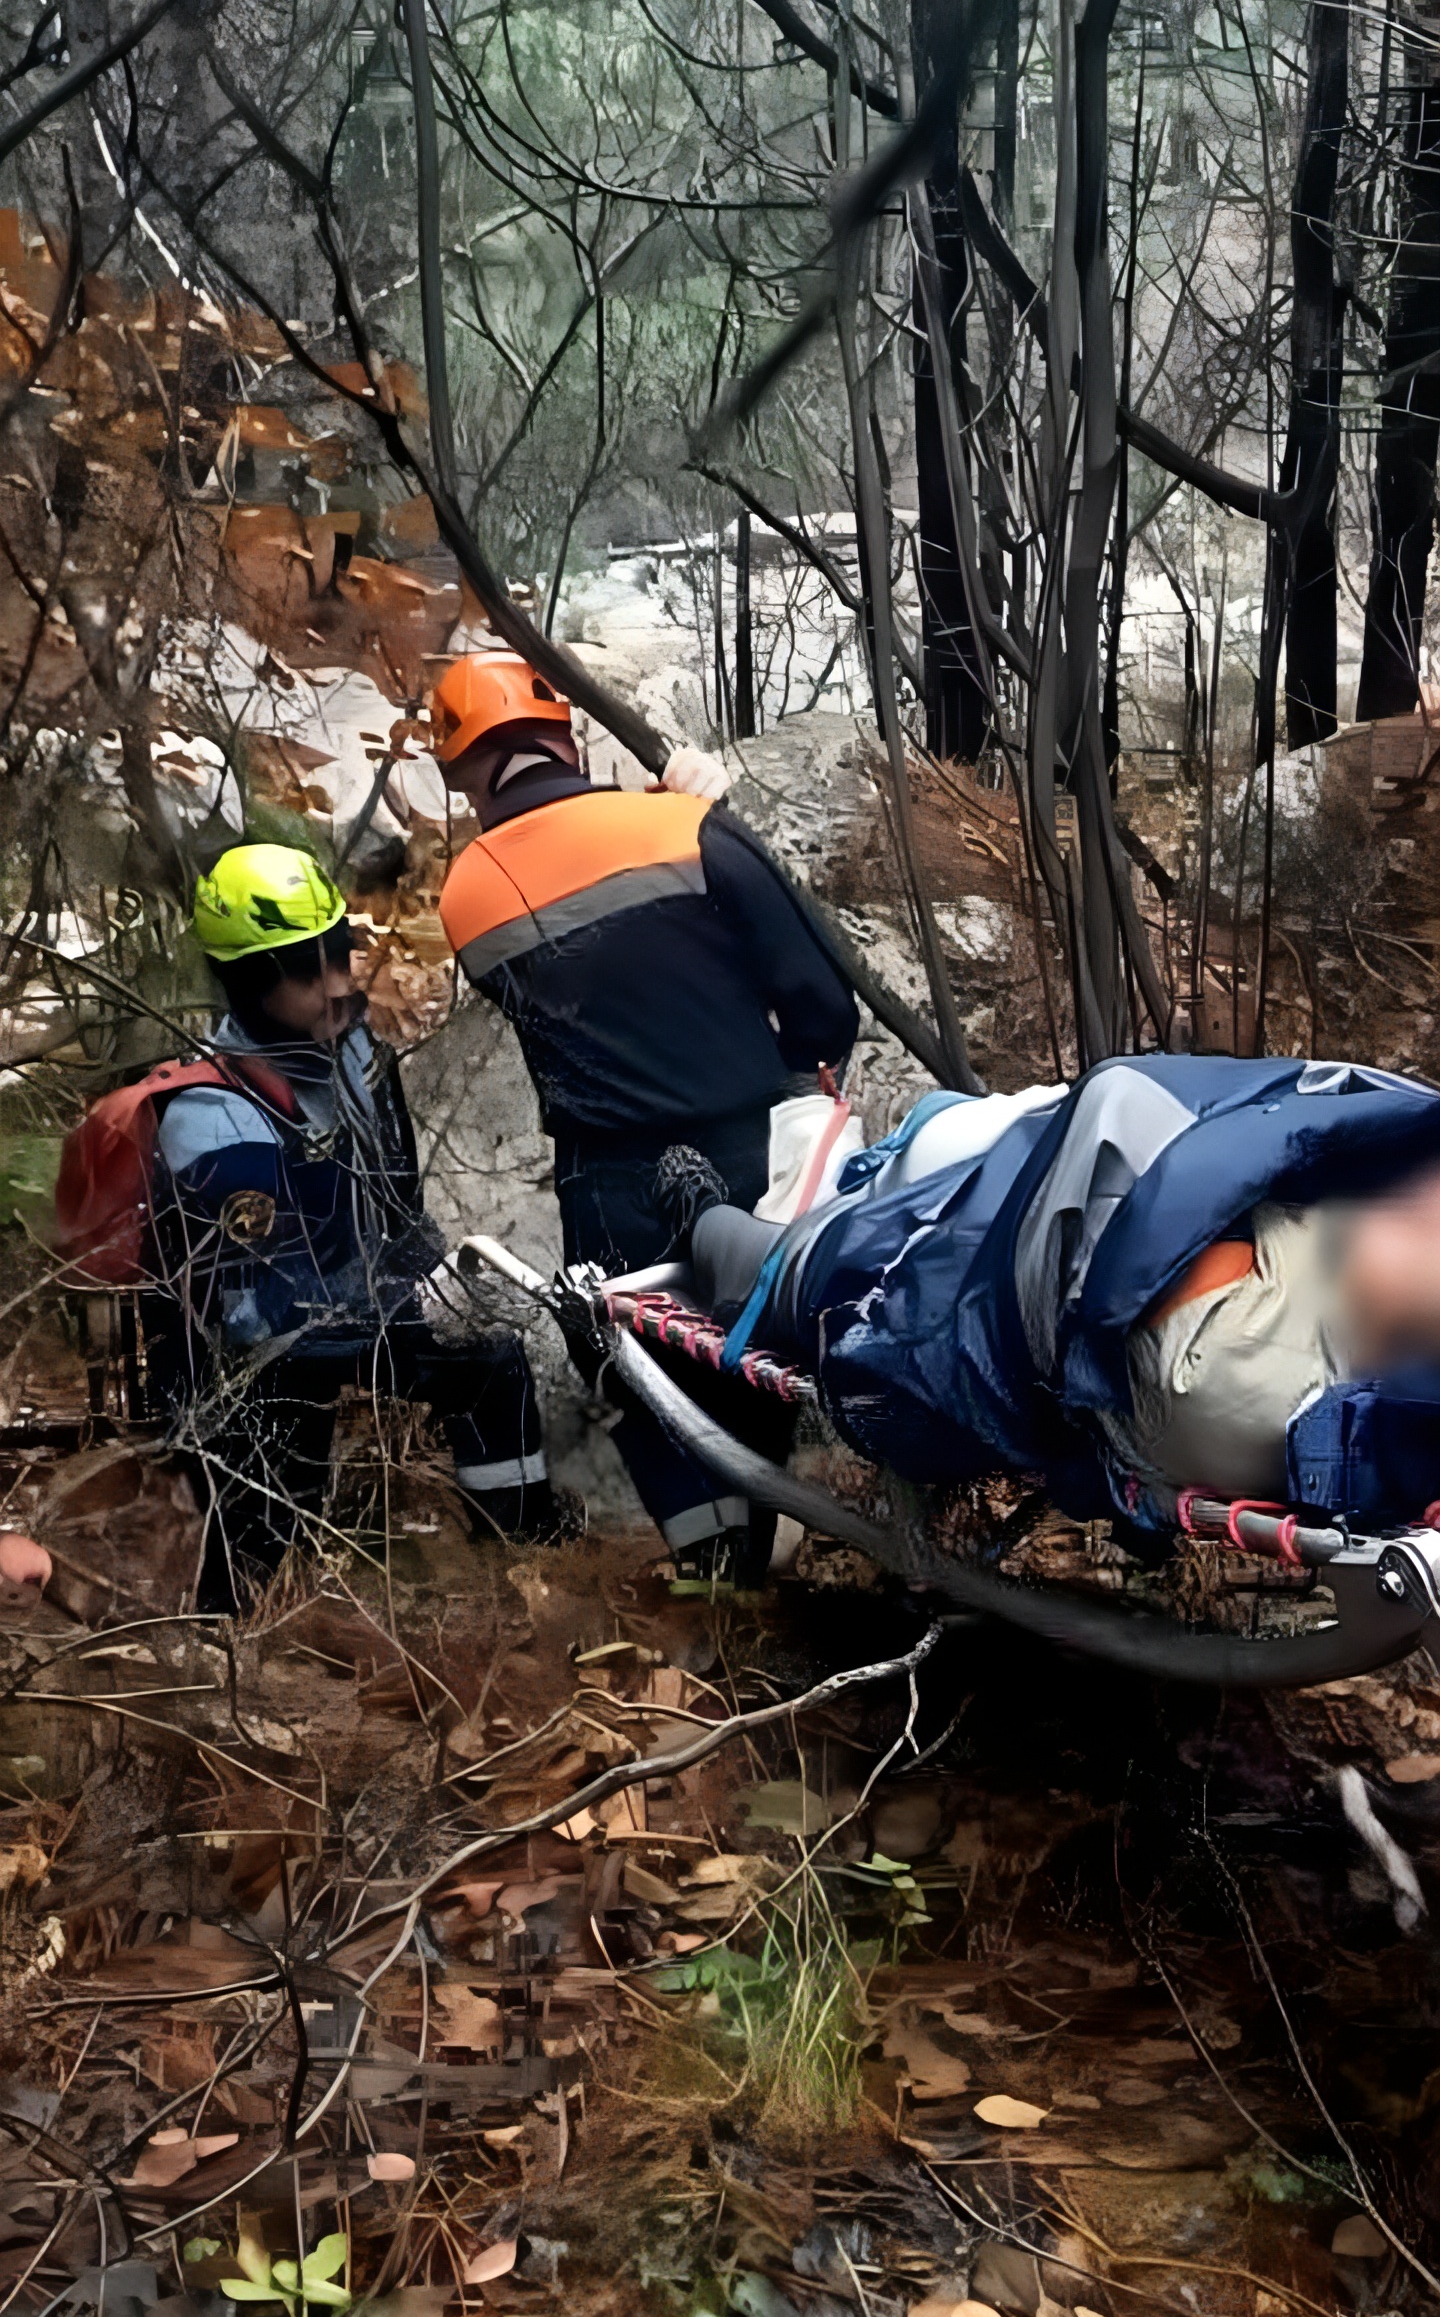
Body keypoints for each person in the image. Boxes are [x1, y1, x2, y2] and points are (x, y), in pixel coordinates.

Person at [431, 648, 858, 1580]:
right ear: (565, 732)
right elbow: (826, 1003)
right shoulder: (686, 829)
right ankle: (780, 1543)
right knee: (766, 1342)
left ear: (465, 774)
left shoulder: (464, 899)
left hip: (606, 1181)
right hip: (753, 1148)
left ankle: (717, 1581)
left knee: (640, 1369)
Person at [675, 1056, 1440, 1538]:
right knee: (939, 1146)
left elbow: (1147, 1220)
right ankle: (757, 1206)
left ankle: (698, 1214)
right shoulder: (1306, 1339)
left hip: (973, 1262)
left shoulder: (1235, 1365)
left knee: (805, 1259)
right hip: (1018, 1201)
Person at [146, 843, 559, 1606]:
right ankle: (236, 1622)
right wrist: (404, 1312)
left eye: (339, 954)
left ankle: (526, 1555)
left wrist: (440, 1284)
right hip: (238, 1357)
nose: (337, 985)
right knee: (268, 1518)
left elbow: (398, 1209)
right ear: (248, 981)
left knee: (491, 1357)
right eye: (306, 970)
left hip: (343, 1299)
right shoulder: (212, 1118)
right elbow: (257, 1318)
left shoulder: (357, 1058)